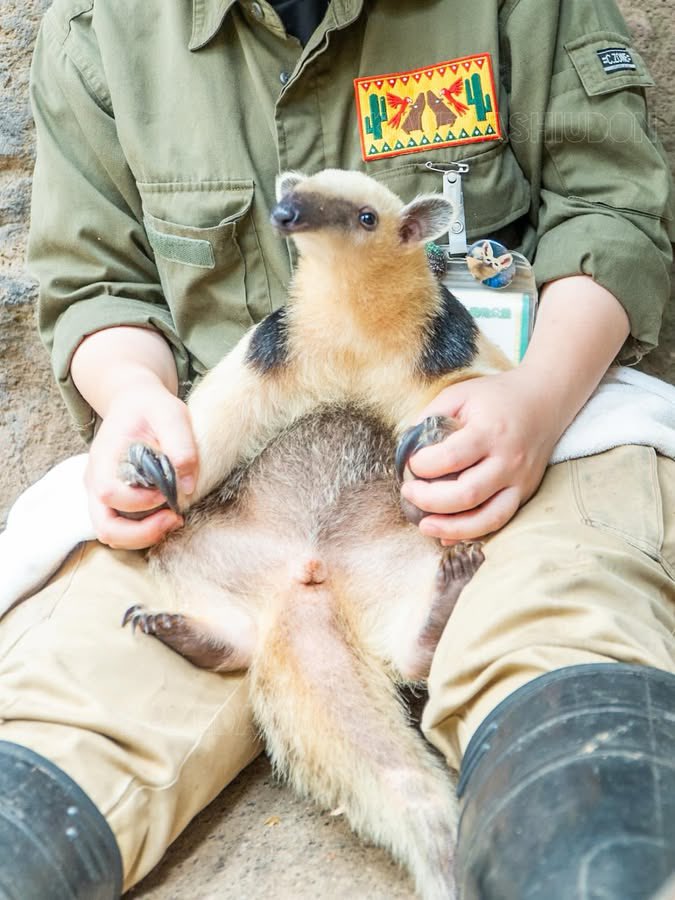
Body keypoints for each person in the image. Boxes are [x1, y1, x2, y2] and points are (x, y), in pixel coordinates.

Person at [1, 0, 673, 896]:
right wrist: (133, 401)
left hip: (499, 433)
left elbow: (608, 212)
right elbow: (98, 285)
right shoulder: (103, 31)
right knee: (55, 729)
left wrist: (537, 399)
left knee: (566, 676)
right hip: (223, 488)